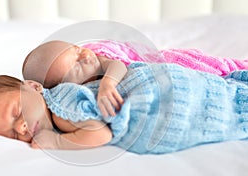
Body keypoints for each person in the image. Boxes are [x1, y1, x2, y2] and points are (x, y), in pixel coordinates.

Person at [0, 62, 248, 154]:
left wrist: (55, 142)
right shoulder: (66, 94)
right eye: (10, 134)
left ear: (33, 87)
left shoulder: (59, 109)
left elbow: (99, 135)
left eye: (17, 112)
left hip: (163, 97)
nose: (20, 128)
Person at [22, 40, 248, 116]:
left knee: (221, 70)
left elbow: (117, 65)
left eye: (76, 49)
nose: (85, 55)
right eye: (77, 65)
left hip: (169, 61)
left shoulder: (100, 58)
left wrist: (108, 83)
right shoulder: (76, 91)